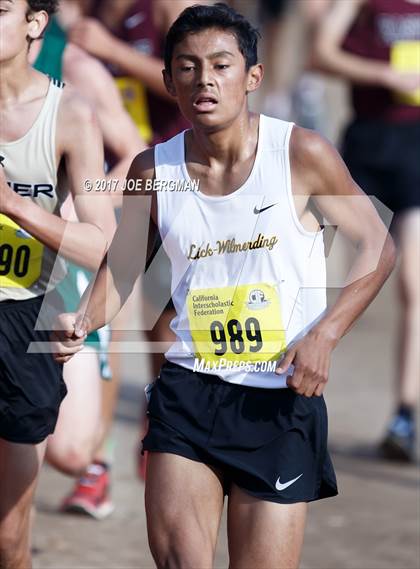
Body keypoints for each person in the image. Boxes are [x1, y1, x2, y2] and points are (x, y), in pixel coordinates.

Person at [53, 3, 396, 567]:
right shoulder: (151, 171)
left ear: (252, 77)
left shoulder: (300, 154)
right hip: (187, 392)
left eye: (220, 65)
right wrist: (85, 320)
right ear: (168, 81)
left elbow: (377, 244)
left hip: (279, 401)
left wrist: (325, 335)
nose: (203, 79)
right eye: (186, 67)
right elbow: (123, 267)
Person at [0, 0, 116, 564]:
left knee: (7, 536)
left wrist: (12, 207)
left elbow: (100, 242)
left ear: (34, 24)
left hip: (26, 319)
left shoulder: (69, 113)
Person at [28, 3, 144, 517]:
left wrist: (83, 194)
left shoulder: (74, 66)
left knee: (68, 450)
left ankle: (95, 459)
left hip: (65, 254)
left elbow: (138, 157)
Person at [314, 0, 420, 462]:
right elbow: (320, 53)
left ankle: (405, 414)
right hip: (367, 145)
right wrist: (384, 76)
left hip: (416, 151)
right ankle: (289, 386)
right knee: (323, 273)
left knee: (414, 286)